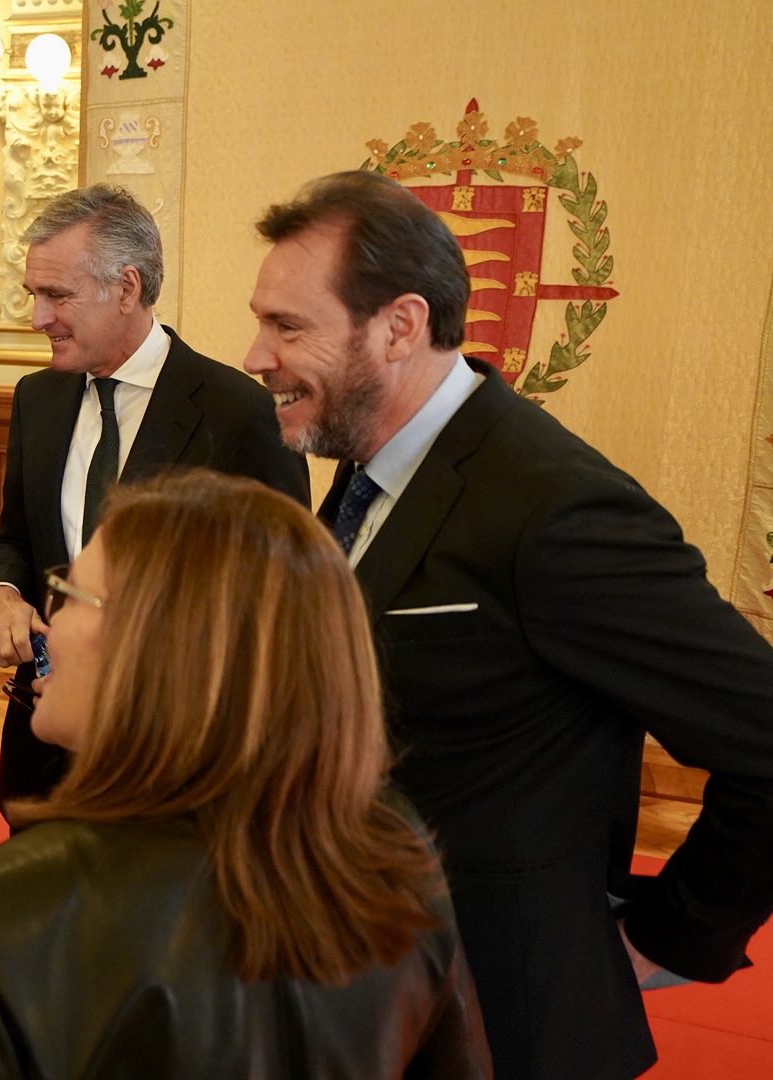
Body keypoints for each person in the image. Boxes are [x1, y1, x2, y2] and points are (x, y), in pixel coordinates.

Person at [243, 170, 773, 1080]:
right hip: (364, 994)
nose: (257, 354)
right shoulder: (369, 464)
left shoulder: (556, 507)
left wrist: (671, 936)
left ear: (400, 327)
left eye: (289, 327)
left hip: (504, 1024)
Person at [0, 471, 491, 1079]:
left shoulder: (5, 913)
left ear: (155, 650)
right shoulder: (392, 855)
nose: (50, 625)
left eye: (69, 594)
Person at [0, 184, 309, 814]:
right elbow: (17, 537)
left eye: (57, 295)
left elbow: (278, 602)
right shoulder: (36, 399)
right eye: (33, 294)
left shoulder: (238, 414)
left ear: (126, 288)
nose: (38, 317)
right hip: (42, 741)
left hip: (170, 759)